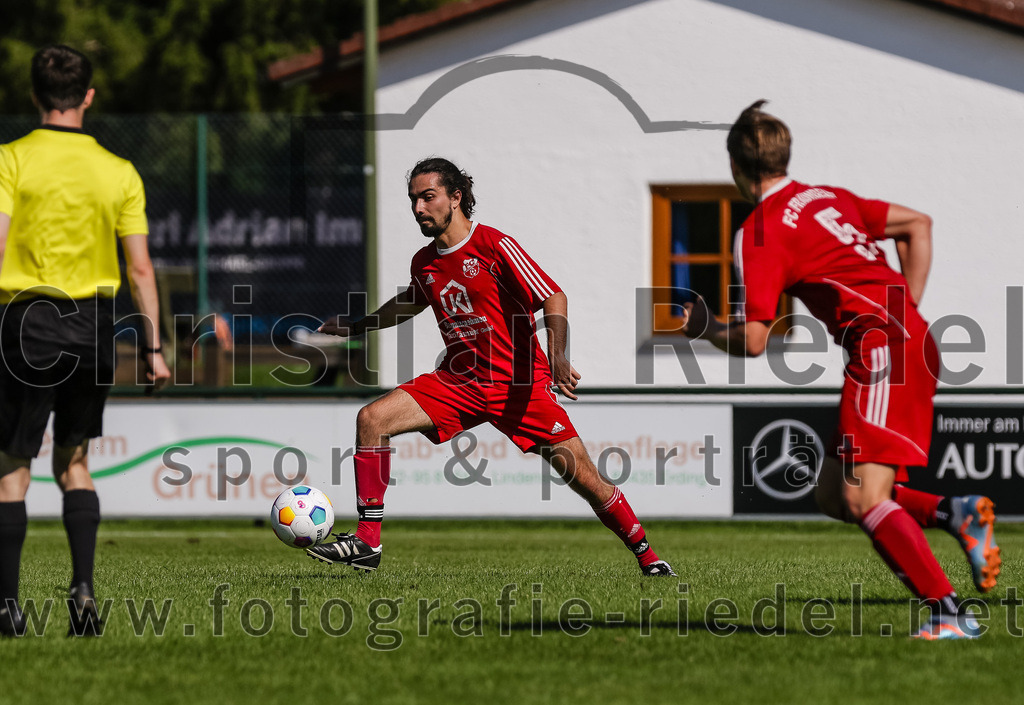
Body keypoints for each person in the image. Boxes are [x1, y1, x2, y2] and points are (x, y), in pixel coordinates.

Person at [682, 100, 999, 639]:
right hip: (903, 343)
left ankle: (949, 613)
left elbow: (756, 340)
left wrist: (705, 327)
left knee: (861, 496)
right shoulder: (828, 197)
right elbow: (917, 224)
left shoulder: (759, 231)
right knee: (833, 492)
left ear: (735, 167)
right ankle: (956, 513)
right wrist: (907, 308)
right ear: (785, 156)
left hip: (884, 353)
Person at [309, 157, 674, 577]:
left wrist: (557, 356)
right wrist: (357, 325)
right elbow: (410, 302)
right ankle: (367, 543)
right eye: (413, 200)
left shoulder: (494, 246)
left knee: (586, 481)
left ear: (456, 198)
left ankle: (648, 557)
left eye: (428, 197)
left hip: (519, 387)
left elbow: (553, 297)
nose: (418, 209)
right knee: (372, 419)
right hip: (459, 382)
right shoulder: (424, 262)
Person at [0, 45, 171, 637]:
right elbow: (141, 270)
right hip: (94, 326)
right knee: (74, 461)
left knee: (11, 466)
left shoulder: (10, 160)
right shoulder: (118, 170)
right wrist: (153, 347)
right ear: (89, 96)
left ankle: (6, 608)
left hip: (24, 322)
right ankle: (83, 593)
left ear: (34, 94)